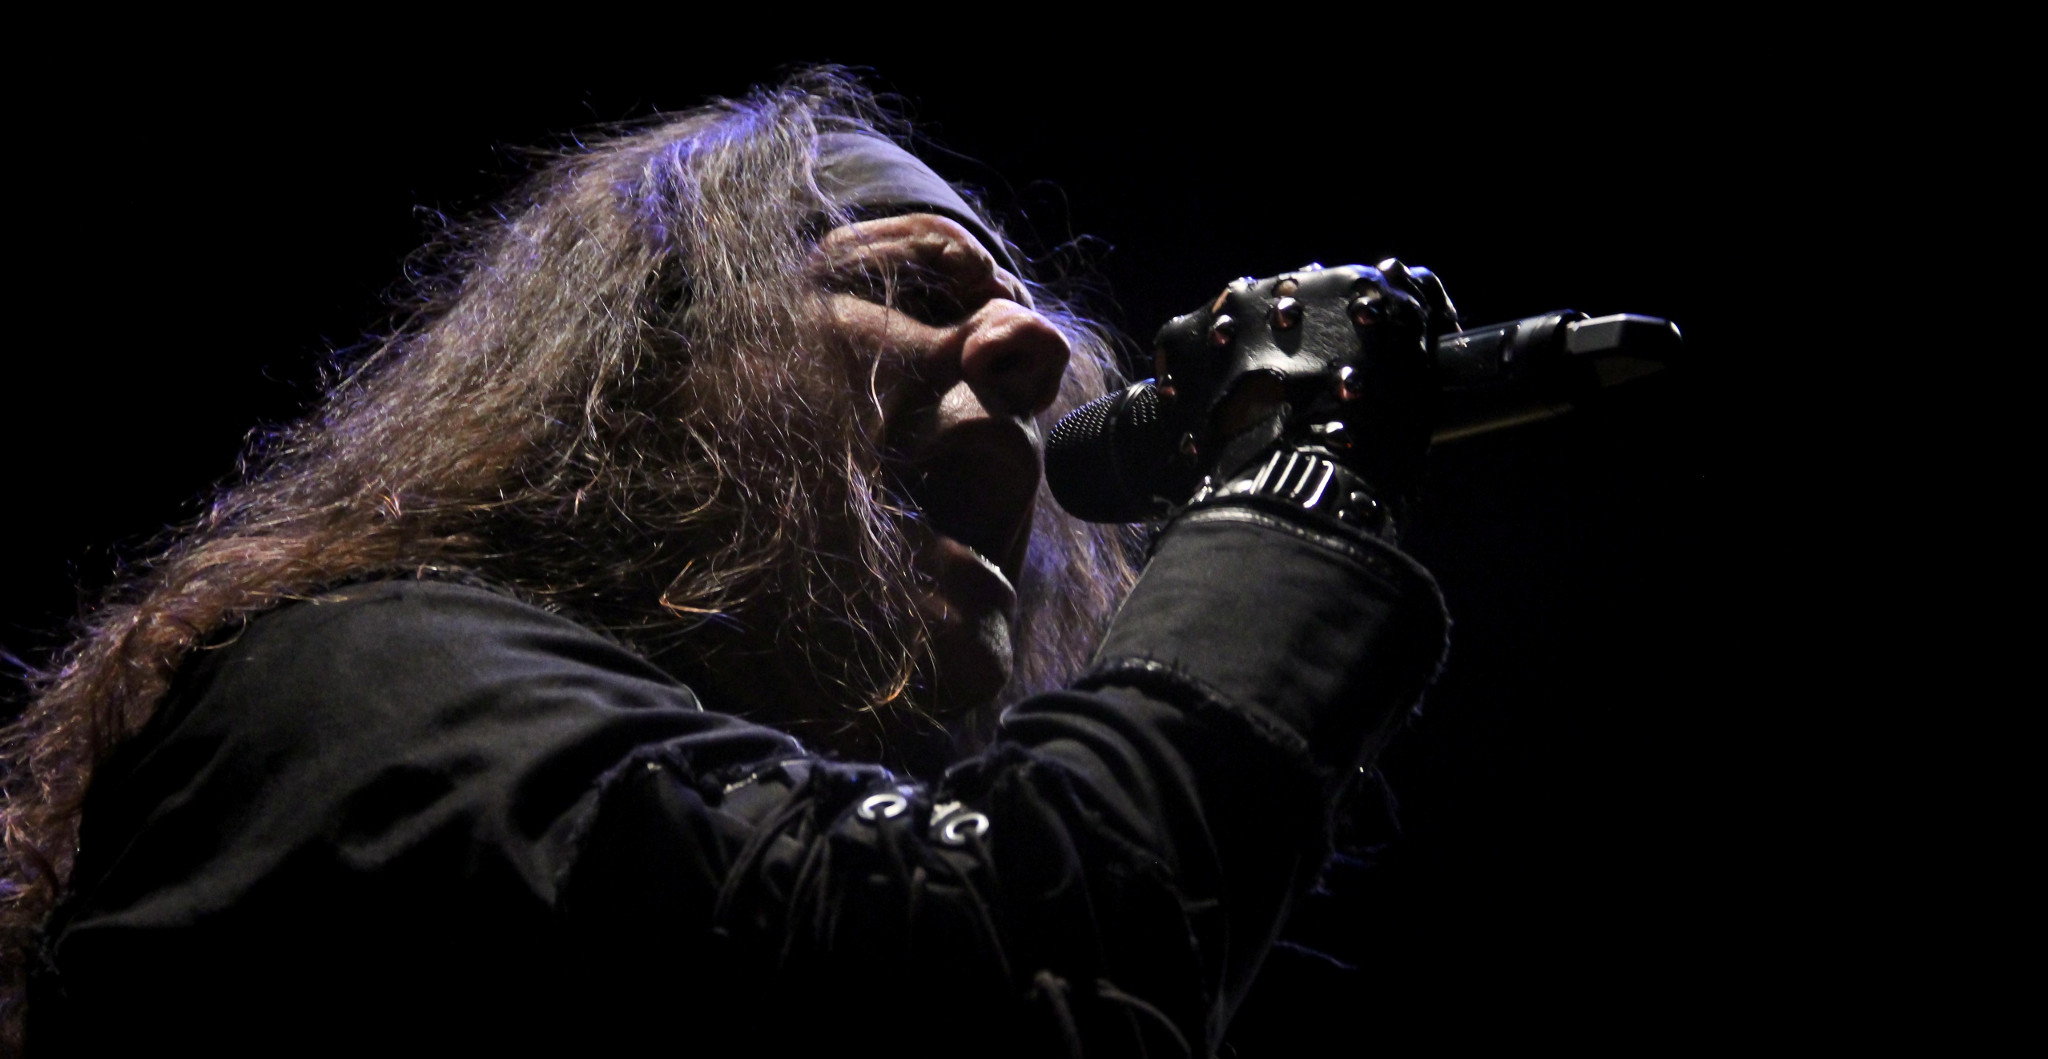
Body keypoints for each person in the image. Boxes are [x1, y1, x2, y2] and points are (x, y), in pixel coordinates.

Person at [1, 71, 1449, 1055]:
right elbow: (1005, 976)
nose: (1032, 347)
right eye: (903, 285)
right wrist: (1292, 495)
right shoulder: (354, 689)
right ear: (640, 385)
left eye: (1019, 317)